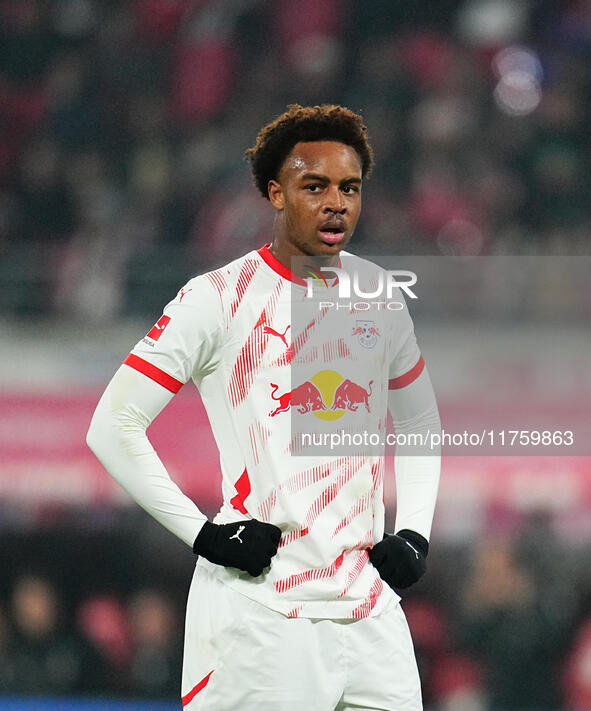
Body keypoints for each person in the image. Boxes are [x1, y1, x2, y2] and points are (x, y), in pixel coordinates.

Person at [87, 104, 441, 710]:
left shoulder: (378, 295)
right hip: (262, 612)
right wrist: (205, 535)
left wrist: (414, 532)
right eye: (315, 186)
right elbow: (113, 426)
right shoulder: (217, 298)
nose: (336, 203)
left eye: (349, 188)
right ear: (275, 193)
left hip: (368, 612)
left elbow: (418, 423)